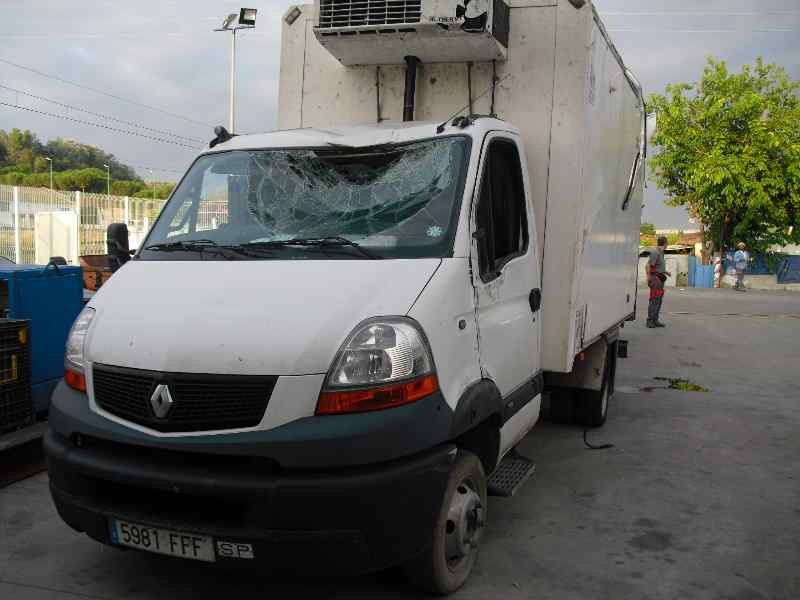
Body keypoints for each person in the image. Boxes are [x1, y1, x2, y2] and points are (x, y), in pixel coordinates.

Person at [647, 236, 671, 328]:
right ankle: (650, 321)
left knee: (659, 300)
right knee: (654, 300)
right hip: (655, 280)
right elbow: (649, 266)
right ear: (664, 243)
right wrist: (649, 278)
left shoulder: (661, 253)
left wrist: (666, 272)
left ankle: (655, 320)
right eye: (667, 243)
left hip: (660, 279)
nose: (667, 244)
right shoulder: (655, 252)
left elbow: (658, 266)